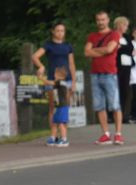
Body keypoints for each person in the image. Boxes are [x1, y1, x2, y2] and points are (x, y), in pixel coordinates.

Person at [31, 21, 76, 144]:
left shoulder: (68, 46)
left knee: (63, 107)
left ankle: (64, 137)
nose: (60, 33)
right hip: (52, 80)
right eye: (58, 31)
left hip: (66, 81)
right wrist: (41, 67)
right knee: (52, 108)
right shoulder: (48, 45)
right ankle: (53, 136)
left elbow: (71, 64)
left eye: (62, 31)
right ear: (53, 31)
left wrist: (74, 81)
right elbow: (35, 56)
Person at [85, 11, 123, 145]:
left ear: (108, 20)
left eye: (103, 19)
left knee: (114, 105)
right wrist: (104, 49)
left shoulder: (114, 34)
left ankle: (118, 134)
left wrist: (95, 51)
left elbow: (110, 49)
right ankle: (105, 134)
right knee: (99, 106)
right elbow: (86, 52)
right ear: (96, 21)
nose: (100, 22)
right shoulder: (92, 36)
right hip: (95, 74)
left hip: (109, 73)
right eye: (98, 20)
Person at [42, 66, 71, 147]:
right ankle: (53, 138)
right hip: (58, 106)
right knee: (55, 122)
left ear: (62, 76)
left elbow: (50, 83)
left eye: (56, 74)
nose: (55, 75)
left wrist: (41, 78)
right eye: (55, 74)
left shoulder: (61, 82)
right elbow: (50, 84)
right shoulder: (58, 83)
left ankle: (64, 139)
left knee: (61, 123)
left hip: (62, 106)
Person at [115, 16, 133, 123]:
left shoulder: (126, 37)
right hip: (118, 67)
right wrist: (123, 49)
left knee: (125, 90)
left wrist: (122, 48)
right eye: (125, 25)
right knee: (117, 91)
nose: (126, 27)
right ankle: (115, 115)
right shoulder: (114, 36)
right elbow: (116, 49)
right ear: (119, 25)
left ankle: (124, 114)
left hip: (127, 67)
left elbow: (130, 48)